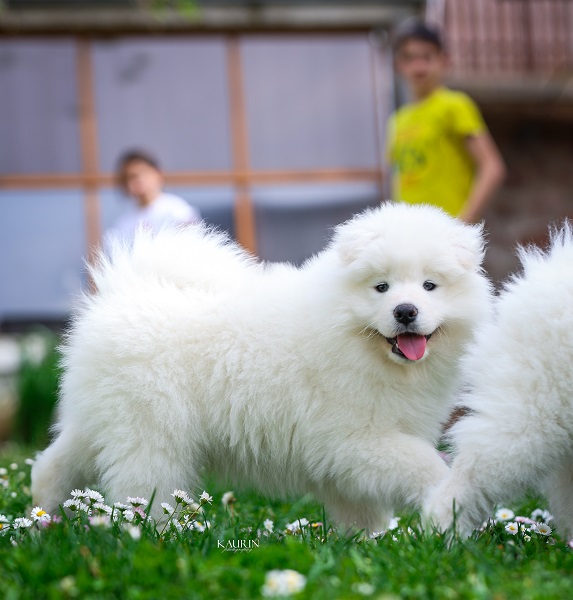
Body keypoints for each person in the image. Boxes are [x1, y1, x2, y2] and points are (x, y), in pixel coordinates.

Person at [386, 20, 506, 223]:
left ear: (444, 60)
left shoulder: (455, 105)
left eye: (427, 56)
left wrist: (462, 224)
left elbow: (492, 167)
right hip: (408, 236)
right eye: (410, 58)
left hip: (448, 236)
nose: (419, 66)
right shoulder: (397, 120)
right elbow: (399, 180)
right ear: (399, 65)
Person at [106, 149, 201, 246]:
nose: (134, 182)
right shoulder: (122, 224)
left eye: (137, 175)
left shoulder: (178, 211)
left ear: (158, 173)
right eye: (127, 178)